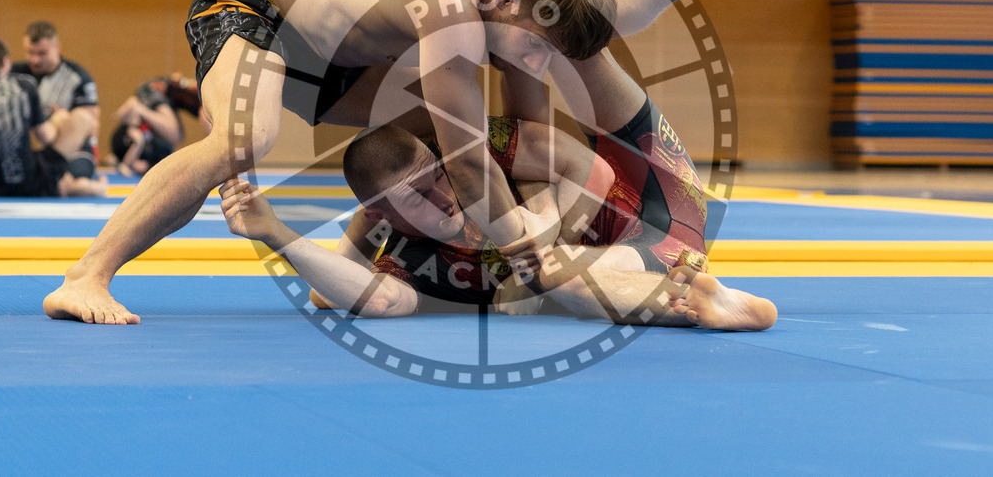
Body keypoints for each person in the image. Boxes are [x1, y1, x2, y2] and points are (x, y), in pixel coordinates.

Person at [44, 0, 747, 325]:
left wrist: (535, 217)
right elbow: (470, 161)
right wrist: (523, 249)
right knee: (241, 140)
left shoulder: (509, 13)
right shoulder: (449, 13)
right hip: (256, 12)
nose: (535, 59)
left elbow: (522, 131)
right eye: (530, 43)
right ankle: (87, 273)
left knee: (556, 38)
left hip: (345, 58)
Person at [217, 118, 776, 330]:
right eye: (418, 196)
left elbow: (591, 167)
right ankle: (700, 302)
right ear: (381, 214)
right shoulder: (404, 254)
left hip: (645, 234)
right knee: (563, 287)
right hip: (610, 279)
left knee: (553, 275)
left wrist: (544, 226)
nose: (445, 193)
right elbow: (356, 297)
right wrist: (277, 234)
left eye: (436, 174)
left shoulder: (482, 153)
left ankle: (696, 293)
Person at [0, 38, 107, 198]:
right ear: (6, 62)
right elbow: (46, 136)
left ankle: (66, 182)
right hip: (30, 181)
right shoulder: (24, 86)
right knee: (81, 118)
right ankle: (90, 187)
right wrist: (60, 121)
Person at [11, 20, 100, 178]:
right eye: (30, 52)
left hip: (72, 152)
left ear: (57, 48)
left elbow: (92, 125)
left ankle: (92, 187)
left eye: (42, 53)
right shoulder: (15, 75)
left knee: (68, 176)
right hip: (32, 151)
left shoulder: (78, 78)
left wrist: (66, 122)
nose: (35, 60)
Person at [110, 73, 209, 176]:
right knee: (176, 134)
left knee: (177, 136)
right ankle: (138, 108)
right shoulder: (206, 101)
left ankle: (137, 109)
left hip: (156, 90)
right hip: (155, 89)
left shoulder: (201, 97)